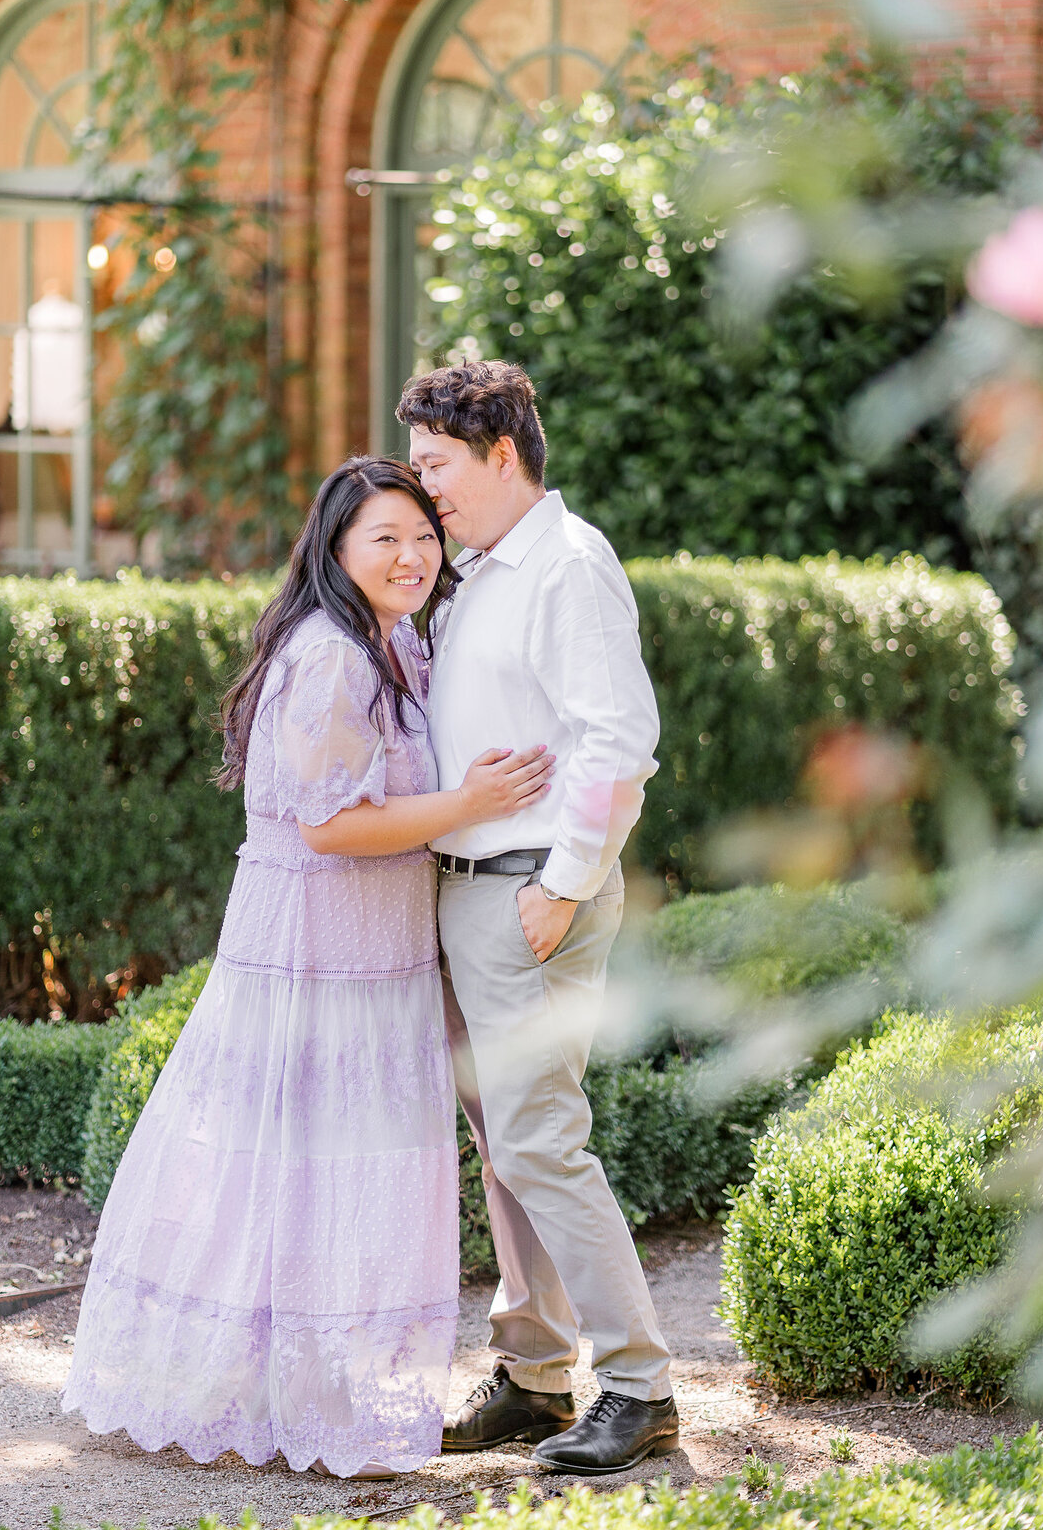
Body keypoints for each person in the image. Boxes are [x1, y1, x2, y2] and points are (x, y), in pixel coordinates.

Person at [61, 456, 554, 1478]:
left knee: (338, 1168)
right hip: (315, 945)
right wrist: (469, 807)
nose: (413, 555)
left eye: (423, 535)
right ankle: (281, 1396)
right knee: (293, 1164)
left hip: (372, 946)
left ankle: (318, 1391)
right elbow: (331, 825)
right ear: (334, 549)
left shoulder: (396, 641)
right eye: (386, 538)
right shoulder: (331, 654)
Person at [400, 361, 679, 1476]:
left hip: (530, 893)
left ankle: (642, 1386)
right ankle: (534, 1378)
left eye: (436, 467)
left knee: (539, 1142)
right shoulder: (479, 571)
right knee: (503, 1149)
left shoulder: (568, 564)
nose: (425, 492)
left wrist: (560, 884)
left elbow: (619, 740)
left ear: (502, 453)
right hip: (468, 890)